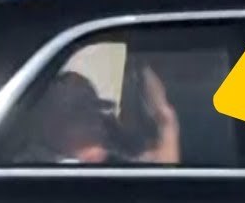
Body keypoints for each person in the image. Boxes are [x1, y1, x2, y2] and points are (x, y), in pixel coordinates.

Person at [23, 66, 180, 166]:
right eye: (80, 110)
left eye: (96, 107)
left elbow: (160, 168)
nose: (96, 119)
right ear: (48, 124)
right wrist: (167, 122)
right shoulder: (33, 171)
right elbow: (166, 190)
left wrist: (164, 117)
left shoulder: (109, 158)